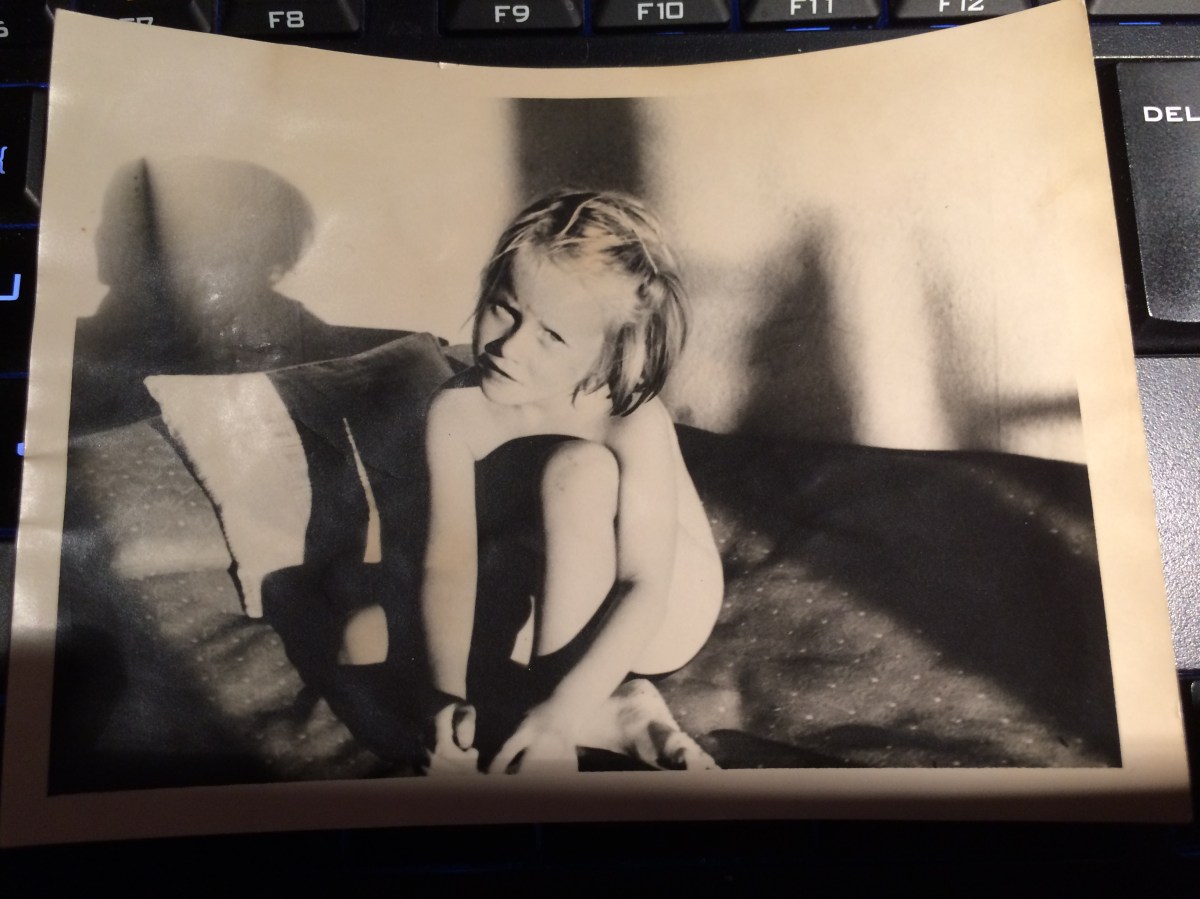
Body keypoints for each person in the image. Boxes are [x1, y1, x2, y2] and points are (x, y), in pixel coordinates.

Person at [355, 190, 724, 773]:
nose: (509, 346)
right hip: (556, 572)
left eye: (552, 336)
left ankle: (568, 717)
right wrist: (445, 697)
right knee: (362, 640)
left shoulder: (630, 417)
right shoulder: (456, 411)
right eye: (504, 308)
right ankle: (618, 712)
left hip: (664, 609)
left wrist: (559, 716)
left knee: (576, 471)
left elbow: (644, 584)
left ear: (608, 351)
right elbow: (449, 563)